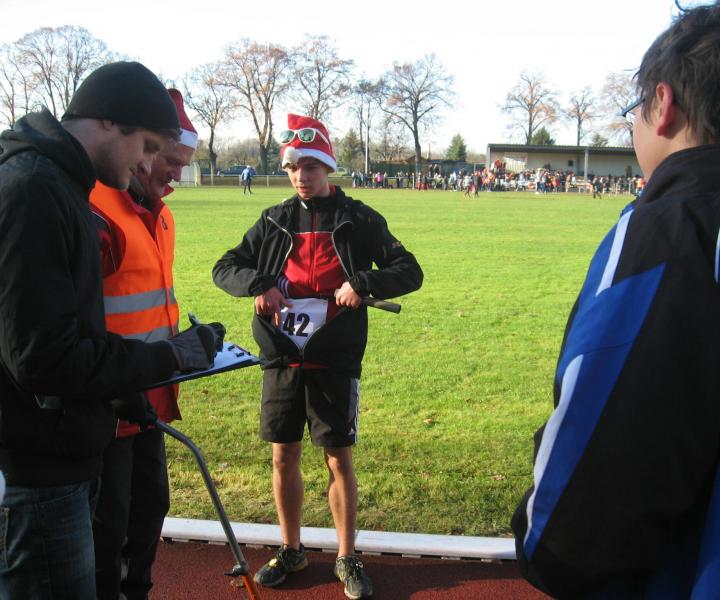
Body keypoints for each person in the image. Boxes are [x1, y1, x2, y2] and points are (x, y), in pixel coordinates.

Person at [512, 2, 720, 598]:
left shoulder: (674, 231)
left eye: (633, 110)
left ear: (663, 104)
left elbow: (583, 512)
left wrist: (541, 540)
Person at [0, 61, 220, 599]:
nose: (149, 164)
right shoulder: (35, 189)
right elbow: (42, 357)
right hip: (39, 464)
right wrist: (169, 358)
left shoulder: (56, 184)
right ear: (107, 121)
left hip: (72, 436)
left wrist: (123, 390)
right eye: (147, 146)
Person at [213, 113, 423, 600]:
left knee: (337, 458)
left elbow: (409, 271)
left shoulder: (359, 218)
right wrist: (259, 284)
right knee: (282, 456)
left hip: (334, 357)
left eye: (309, 166)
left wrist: (362, 283)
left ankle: (347, 557)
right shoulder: (274, 219)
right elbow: (225, 266)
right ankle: (292, 549)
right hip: (282, 357)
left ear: (327, 166)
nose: (300, 176)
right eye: (292, 168)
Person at [89, 89, 207, 600]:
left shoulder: (162, 215)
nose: (177, 175)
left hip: (151, 397)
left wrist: (187, 344)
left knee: (150, 508)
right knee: (108, 523)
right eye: (170, 160)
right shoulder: (96, 210)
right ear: (144, 148)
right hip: (106, 403)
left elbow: (150, 300)